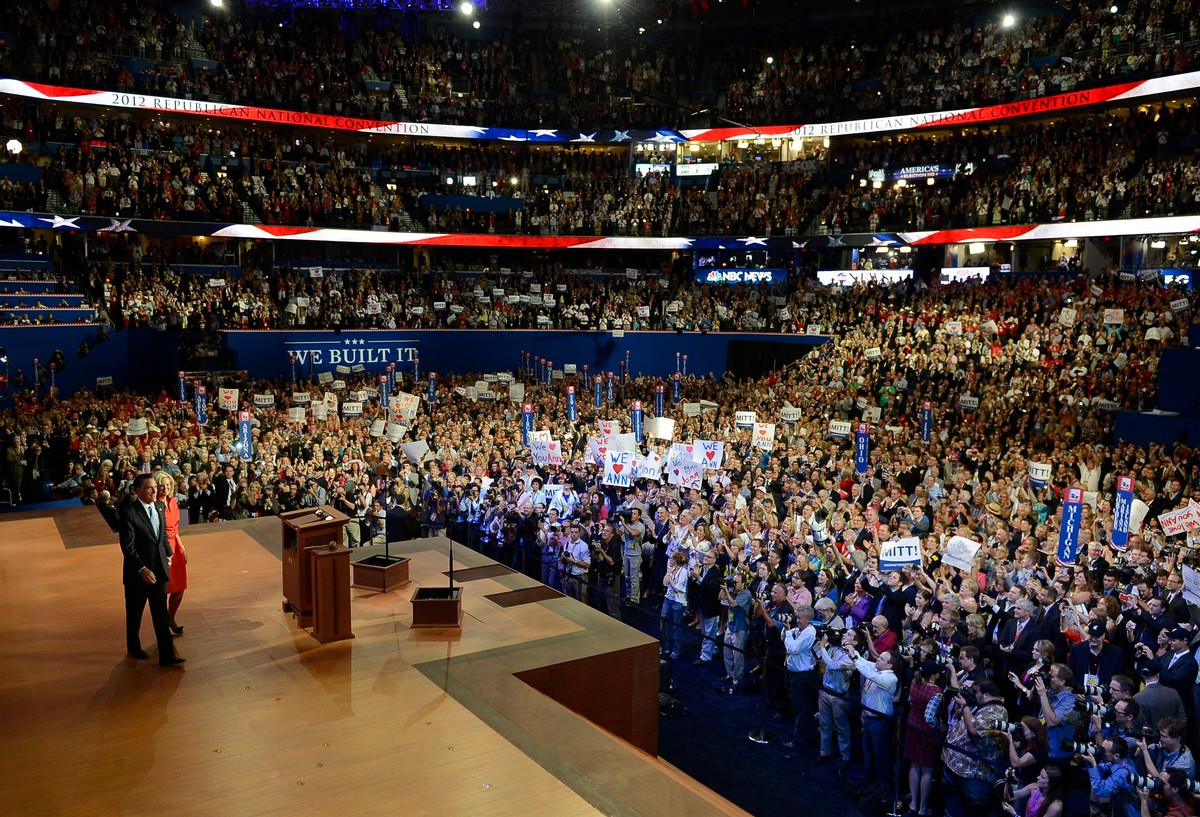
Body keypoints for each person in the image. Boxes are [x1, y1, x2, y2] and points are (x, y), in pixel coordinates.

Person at [119, 473, 183, 666]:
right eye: (149, 487)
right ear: (138, 490)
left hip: (160, 571)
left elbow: (161, 533)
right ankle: (133, 646)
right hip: (138, 575)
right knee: (135, 613)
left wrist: (169, 553)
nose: (155, 490)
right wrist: (142, 569)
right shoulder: (129, 512)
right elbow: (127, 547)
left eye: (155, 487)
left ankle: (167, 655)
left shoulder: (160, 506)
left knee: (160, 614)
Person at [942, 679, 1009, 817]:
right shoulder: (979, 703)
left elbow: (974, 730)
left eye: (975, 691)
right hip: (954, 763)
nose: (972, 694)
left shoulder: (998, 711)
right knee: (953, 805)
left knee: (975, 809)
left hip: (973, 771)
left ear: (986, 694)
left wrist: (965, 706)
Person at [845, 639, 899, 790]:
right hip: (869, 718)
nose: (877, 659)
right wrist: (852, 652)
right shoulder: (876, 668)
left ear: (889, 665)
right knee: (868, 752)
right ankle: (869, 781)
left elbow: (868, 673)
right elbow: (864, 663)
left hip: (880, 722)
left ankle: (882, 787)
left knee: (880, 754)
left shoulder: (890, 678)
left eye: (882, 658)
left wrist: (855, 658)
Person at [815, 627, 858, 768]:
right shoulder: (836, 648)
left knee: (842, 727)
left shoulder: (852, 658)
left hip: (839, 696)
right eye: (845, 633)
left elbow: (833, 665)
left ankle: (845, 757)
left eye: (849, 635)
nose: (845, 635)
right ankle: (824, 753)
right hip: (825, 691)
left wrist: (822, 646)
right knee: (824, 723)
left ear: (855, 642)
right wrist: (822, 644)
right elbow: (821, 658)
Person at [906, 659, 945, 816]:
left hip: (912, 726)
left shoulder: (915, 682)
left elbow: (910, 702)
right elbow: (929, 717)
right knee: (927, 770)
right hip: (925, 733)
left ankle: (913, 803)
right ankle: (922, 808)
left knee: (914, 765)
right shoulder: (935, 692)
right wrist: (941, 725)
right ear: (934, 675)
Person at [152, 470, 187, 635]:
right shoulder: (154, 505)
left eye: (168, 485)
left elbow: (176, 528)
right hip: (162, 549)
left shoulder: (173, 502)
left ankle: (170, 617)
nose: (165, 488)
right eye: (161, 486)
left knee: (180, 588)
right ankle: (163, 625)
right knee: (164, 589)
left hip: (176, 546)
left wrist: (181, 547)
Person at [1085, 737, 1140, 817]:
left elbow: (1101, 790)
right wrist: (1092, 762)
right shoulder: (1124, 761)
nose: (1100, 752)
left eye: (1103, 750)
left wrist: (1093, 766)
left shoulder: (1122, 773)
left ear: (1116, 756)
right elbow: (1103, 767)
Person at [719, 570, 752, 692]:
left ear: (743, 584)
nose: (735, 584)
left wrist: (727, 591)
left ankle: (737, 679)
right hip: (730, 626)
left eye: (737, 582)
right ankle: (730, 674)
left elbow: (733, 604)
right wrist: (724, 588)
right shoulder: (732, 591)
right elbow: (720, 598)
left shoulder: (746, 594)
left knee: (737, 655)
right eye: (734, 582)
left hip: (741, 628)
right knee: (727, 652)